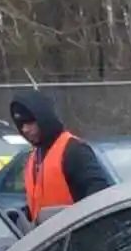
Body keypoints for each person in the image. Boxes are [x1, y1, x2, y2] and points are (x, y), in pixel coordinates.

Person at [8, 90, 113, 222]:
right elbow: (37, 206)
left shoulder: (74, 150)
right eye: (21, 125)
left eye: (30, 122)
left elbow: (99, 195)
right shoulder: (34, 158)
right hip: (44, 239)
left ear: (44, 119)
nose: (25, 129)